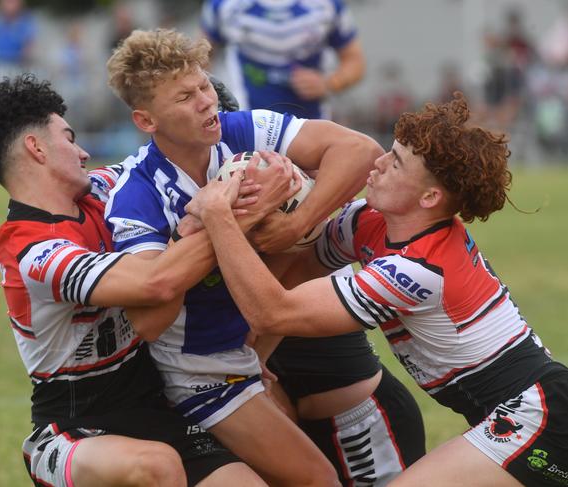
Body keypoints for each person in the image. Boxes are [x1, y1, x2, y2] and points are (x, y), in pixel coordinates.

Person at [187, 92, 568, 486]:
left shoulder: (417, 270)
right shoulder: (368, 221)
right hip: (516, 409)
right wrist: (256, 360)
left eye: (396, 163)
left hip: (536, 413)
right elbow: (302, 269)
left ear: (430, 197)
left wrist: (219, 218)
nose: (379, 163)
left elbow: (274, 310)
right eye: (390, 151)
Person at [0, 73, 294, 487]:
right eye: (69, 137)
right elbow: (155, 283)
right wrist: (240, 215)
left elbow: (162, 160)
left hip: (153, 403)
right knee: (156, 466)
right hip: (72, 424)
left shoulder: (103, 190)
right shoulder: (33, 250)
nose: (83, 151)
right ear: (35, 147)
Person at [105, 28, 381, 486]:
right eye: (184, 98)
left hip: (249, 346)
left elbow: (360, 151)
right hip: (201, 369)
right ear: (146, 121)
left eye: (204, 87)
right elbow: (148, 321)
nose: (206, 102)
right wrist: (228, 221)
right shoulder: (137, 195)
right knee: (318, 479)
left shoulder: (240, 132)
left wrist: (294, 223)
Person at [211, 70, 426, 484]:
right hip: (290, 431)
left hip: (363, 429)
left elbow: (268, 319)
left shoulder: (289, 210)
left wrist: (295, 225)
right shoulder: (195, 217)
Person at [201, 0, 365, 119]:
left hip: (311, 120)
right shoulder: (223, 6)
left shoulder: (327, 6)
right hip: (247, 118)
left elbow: (355, 62)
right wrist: (210, 100)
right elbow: (201, 58)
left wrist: (329, 83)